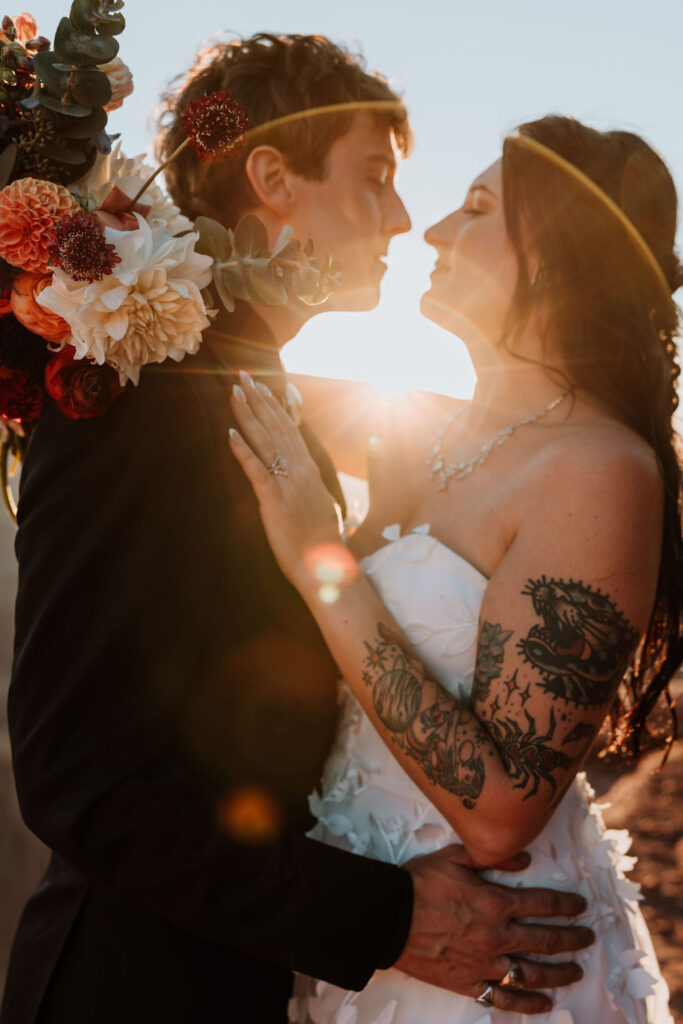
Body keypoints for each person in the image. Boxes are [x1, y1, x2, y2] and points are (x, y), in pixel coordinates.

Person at [0, 39, 592, 1024]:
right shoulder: (136, 394)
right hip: (131, 987)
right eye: (374, 178)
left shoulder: (248, 383)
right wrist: (386, 919)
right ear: (272, 176)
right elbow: (79, 776)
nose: (403, 217)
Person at [227, 114, 682, 1023]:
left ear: (554, 260)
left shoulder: (595, 471)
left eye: (476, 209)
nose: (432, 231)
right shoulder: (432, 437)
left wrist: (323, 557)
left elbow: (502, 807)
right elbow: (223, 376)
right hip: (374, 937)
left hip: (497, 957)